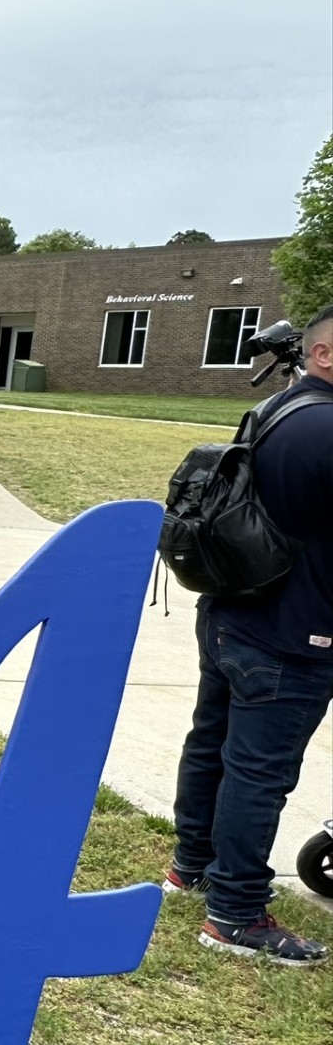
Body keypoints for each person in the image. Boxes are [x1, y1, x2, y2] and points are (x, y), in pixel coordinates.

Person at [166, 304, 333, 965]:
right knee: (259, 774)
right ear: (324, 356)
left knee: (213, 744)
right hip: (295, 633)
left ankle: (192, 867)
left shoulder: (280, 410)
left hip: (235, 613)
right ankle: (234, 913)